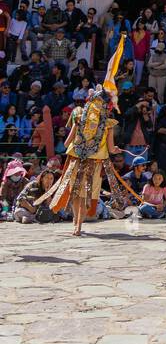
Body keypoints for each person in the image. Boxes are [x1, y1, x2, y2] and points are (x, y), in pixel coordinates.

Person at [41, 42, 138, 235]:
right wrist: (117, 150)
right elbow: (111, 150)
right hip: (95, 161)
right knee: (88, 193)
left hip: (76, 158)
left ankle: (75, 226)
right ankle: (80, 224)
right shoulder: (108, 122)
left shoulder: (78, 114)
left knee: (75, 192)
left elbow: (68, 142)